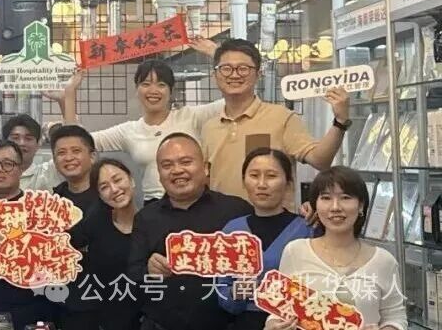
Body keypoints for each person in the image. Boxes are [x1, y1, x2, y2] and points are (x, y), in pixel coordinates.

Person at [54, 56, 224, 203]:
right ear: (137, 89)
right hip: (155, 207)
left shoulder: (192, 116)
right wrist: (69, 94)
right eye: (146, 84)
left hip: (196, 201)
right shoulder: (130, 131)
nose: (153, 91)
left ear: (171, 91)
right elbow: (79, 141)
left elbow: (231, 101)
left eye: (161, 85)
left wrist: (217, 57)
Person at [127, 133, 252, 330]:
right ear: (159, 174)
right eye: (167, 165)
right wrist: (149, 271)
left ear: (206, 167)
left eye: (186, 162)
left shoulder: (236, 210)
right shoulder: (146, 217)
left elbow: (260, 264)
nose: (177, 170)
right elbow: (133, 275)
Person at [202, 39, 350, 203]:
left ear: (258, 74)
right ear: (215, 75)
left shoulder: (282, 118)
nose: (235, 74)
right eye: (226, 68)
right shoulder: (209, 128)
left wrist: (340, 121)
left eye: (243, 68)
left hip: (271, 218)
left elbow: (320, 161)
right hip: (222, 219)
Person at [265, 167, 406, 330]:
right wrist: (273, 325)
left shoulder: (383, 261)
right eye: (326, 198)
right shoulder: (295, 251)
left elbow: (396, 317)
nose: (335, 207)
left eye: (345, 198)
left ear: (361, 205)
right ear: (315, 205)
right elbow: (279, 308)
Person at [0, 140, 58, 329]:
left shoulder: (41, 210)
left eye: (8, 164)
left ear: (21, 169)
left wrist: (13, 251)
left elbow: (54, 266)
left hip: (30, 310)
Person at [217, 148, 314, 330]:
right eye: (254, 175)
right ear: (244, 181)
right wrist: (235, 293)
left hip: (292, 324)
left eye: (271, 176)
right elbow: (221, 290)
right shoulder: (232, 231)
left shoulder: (306, 228)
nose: (262, 184)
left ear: (288, 183)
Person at [59, 158, 141, 330]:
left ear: (131, 180)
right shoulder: (96, 222)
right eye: (104, 187)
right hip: (106, 320)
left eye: (117, 180)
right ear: (100, 195)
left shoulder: (152, 220)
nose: (114, 189)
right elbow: (62, 245)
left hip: (147, 318)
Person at [2, 114, 63, 192]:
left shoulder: (48, 173)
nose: (21, 143)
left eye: (28, 138)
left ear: (38, 144)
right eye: (15, 138)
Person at [49, 125, 101, 213]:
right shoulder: (54, 201)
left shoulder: (108, 194)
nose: (69, 158)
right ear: (54, 160)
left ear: (92, 156)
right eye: (62, 153)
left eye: (76, 151)